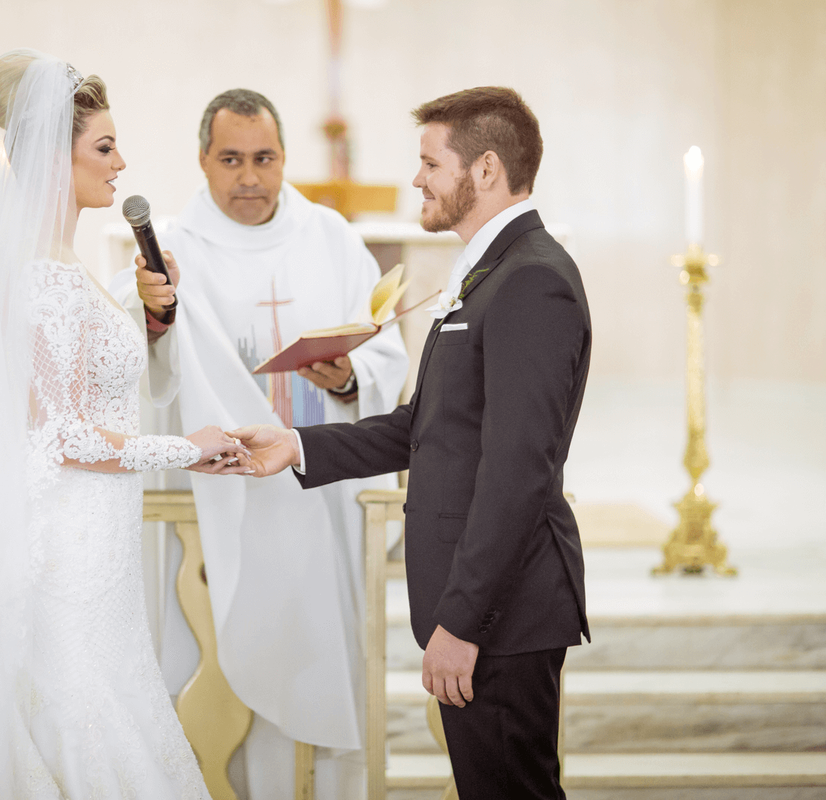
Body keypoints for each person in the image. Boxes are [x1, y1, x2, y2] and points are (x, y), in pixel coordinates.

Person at [0, 50, 252, 800]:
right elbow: (61, 434)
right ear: (53, 156)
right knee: (84, 721)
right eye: (104, 147)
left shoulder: (61, 263)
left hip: (95, 547)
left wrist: (143, 313)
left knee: (110, 709)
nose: (121, 163)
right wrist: (188, 447)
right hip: (66, 551)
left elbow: (88, 383)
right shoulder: (42, 277)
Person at [231, 87, 591, 800]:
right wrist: (296, 446)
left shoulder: (532, 282)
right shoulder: (492, 273)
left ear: (484, 170)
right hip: (488, 611)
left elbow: (516, 473)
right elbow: (423, 429)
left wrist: (462, 622)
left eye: (429, 163)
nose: (417, 180)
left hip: (502, 615)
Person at [110, 89, 408, 798]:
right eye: (232, 159)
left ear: (284, 159)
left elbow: (384, 349)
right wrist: (154, 323)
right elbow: (128, 354)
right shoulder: (169, 248)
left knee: (321, 654)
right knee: (214, 651)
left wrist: (347, 378)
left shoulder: (330, 236)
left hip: (318, 494)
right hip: (214, 502)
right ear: (203, 160)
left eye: (265, 158)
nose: (250, 176)